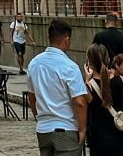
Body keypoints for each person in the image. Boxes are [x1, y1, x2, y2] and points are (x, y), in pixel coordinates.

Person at [26, 18, 88, 156]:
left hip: (43, 129)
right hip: (66, 127)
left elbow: (31, 97)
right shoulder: (69, 66)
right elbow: (79, 102)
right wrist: (82, 129)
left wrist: (38, 117)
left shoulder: (34, 64)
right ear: (67, 40)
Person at [84, 43, 123, 156]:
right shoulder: (120, 80)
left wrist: (87, 80)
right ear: (108, 59)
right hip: (122, 136)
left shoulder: (88, 86)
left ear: (89, 63)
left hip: (100, 140)